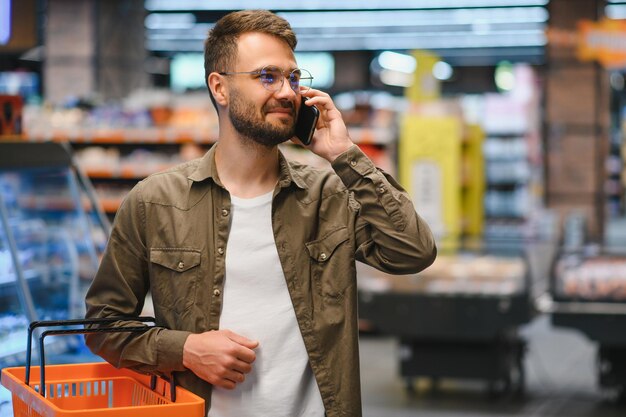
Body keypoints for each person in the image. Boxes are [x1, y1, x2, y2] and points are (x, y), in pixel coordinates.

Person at [85, 9, 436, 417]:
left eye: (292, 78)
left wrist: (344, 155)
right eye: (267, 76)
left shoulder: (329, 195)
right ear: (219, 87)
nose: (288, 92)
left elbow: (413, 251)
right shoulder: (154, 202)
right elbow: (104, 326)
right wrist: (185, 349)